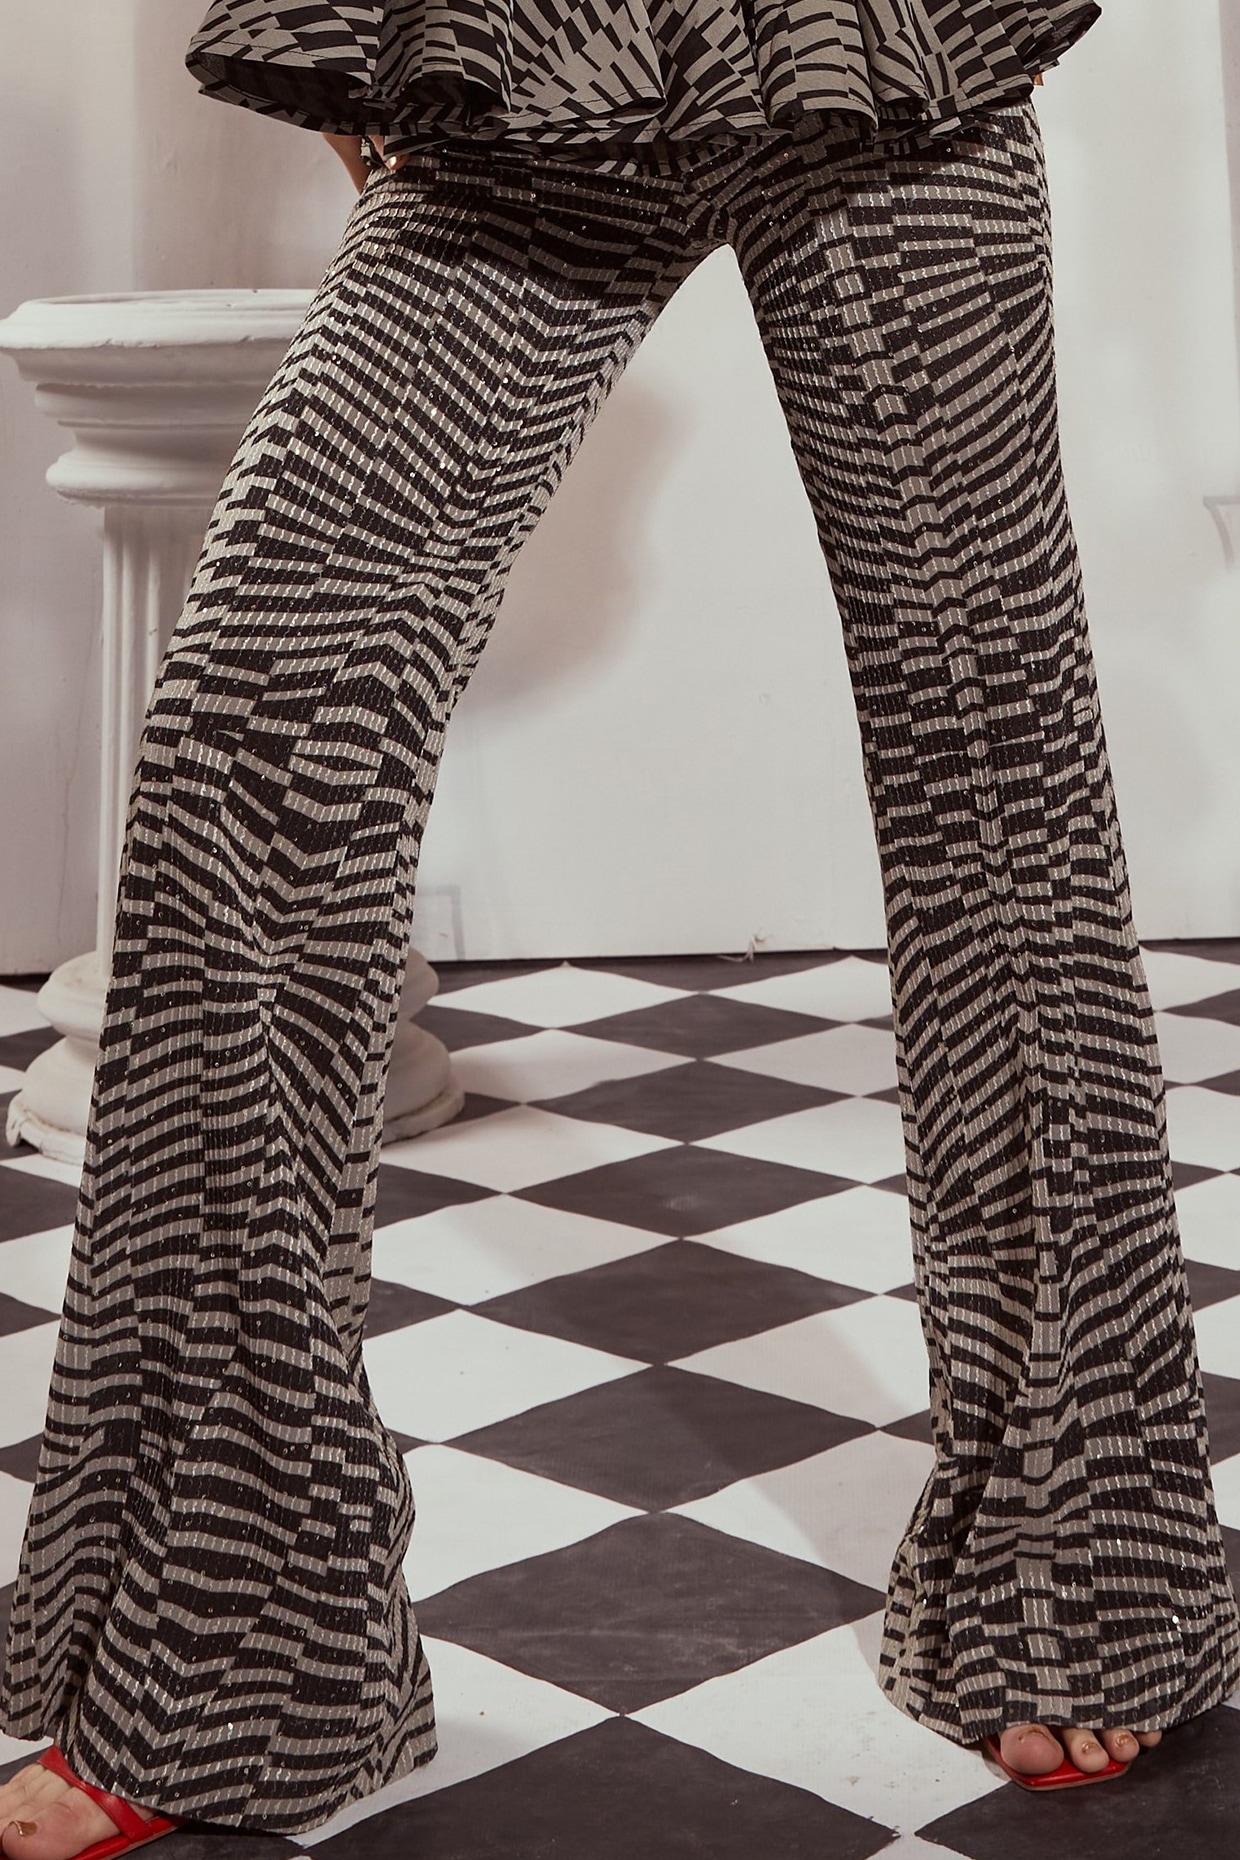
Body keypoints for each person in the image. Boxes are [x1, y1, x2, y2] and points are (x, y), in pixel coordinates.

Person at [3, 2, 1239, 1852]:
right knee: (259, 728)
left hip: (882, 47)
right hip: (547, 47)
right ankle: (239, 1629)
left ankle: (1084, 1562)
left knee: (995, 762)